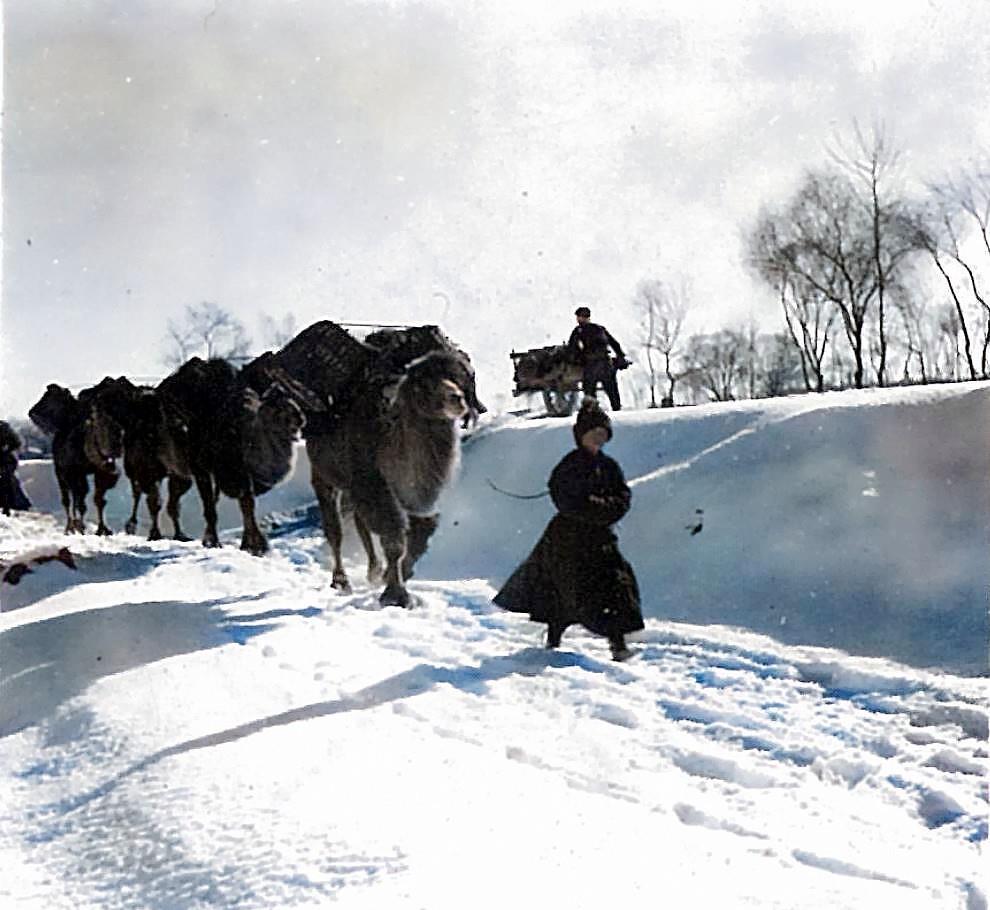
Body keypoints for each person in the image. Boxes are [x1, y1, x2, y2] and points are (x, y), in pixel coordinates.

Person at [494, 398, 643, 661]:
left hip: (601, 540)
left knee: (616, 587)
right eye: (593, 433)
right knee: (562, 589)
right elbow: (566, 500)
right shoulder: (569, 465)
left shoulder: (609, 467)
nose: (598, 438)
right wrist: (596, 508)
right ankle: (554, 638)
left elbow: (623, 497)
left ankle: (617, 644)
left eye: (602, 433)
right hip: (568, 540)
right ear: (581, 435)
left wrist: (604, 508)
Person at [566, 306, 630, 411]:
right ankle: (617, 411)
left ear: (581, 318)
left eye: (578, 317)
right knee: (612, 390)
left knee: (590, 392)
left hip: (591, 366)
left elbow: (572, 349)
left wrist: (576, 360)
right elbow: (614, 343)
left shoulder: (579, 331)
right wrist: (621, 356)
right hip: (606, 363)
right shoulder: (599, 328)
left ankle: (593, 413)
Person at [0, 420, 32, 516]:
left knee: (8, 482)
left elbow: (16, 442)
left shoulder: (3, 427)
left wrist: (6, 447)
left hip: (6, 460)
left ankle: (12, 505)